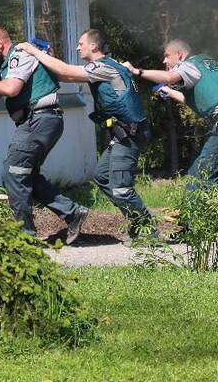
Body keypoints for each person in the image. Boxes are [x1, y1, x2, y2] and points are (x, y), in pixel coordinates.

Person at [124, 39, 218, 238]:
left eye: (167, 55)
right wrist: (169, 92)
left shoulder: (188, 65)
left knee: (210, 176)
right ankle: (191, 228)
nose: (163, 60)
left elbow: (169, 76)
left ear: (180, 55)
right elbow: (198, 99)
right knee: (198, 174)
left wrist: (137, 71)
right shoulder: (205, 64)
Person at [18, 29, 156, 240]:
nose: (77, 47)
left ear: (94, 46)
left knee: (121, 189)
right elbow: (65, 73)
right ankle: (138, 222)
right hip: (123, 134)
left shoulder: (103, 67)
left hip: (129, 135)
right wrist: (48, 57)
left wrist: (33, 51)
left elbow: (66, 73)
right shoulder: (109, 65)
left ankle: (148, 230)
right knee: (102, 177)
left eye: (81, 43)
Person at [0, 25, 89, 243]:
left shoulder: (20, 55)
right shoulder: (5, 64)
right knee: (26, 175)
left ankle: (25, 237)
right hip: (38, 120)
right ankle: (73, 213)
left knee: (13, 173)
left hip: (38, 119)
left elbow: (11, 89)